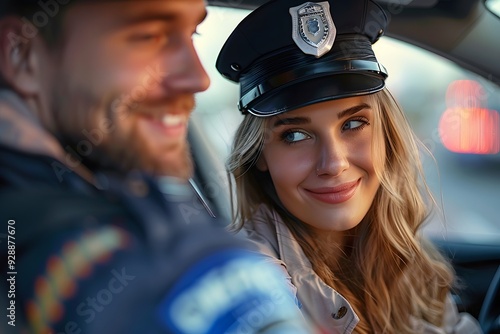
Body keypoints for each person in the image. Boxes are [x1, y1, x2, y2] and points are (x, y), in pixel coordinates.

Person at [0, 1, 313, 333]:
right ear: (21, 55)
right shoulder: (154, 276)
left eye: (193, 33)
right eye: (149, 36)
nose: (198, 77)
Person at [216, 0, 483, 333]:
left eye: (354, 124)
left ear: (386, 135)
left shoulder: (403, 253)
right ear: (259, 157)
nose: (334, 163)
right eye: (296, 135)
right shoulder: (246, 281)